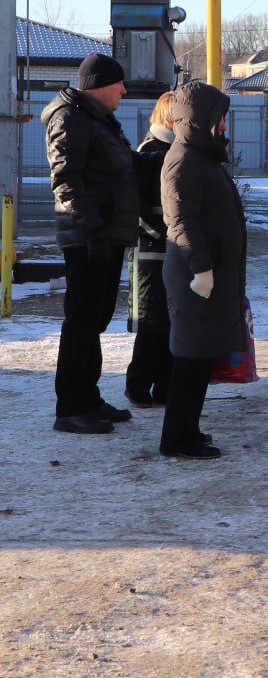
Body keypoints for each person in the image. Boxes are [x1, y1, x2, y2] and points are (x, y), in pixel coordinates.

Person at [41, 54, 141, 434]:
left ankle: (88, 396)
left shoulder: (97, 119)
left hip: (106, 234)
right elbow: (66, 180)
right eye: (119, 83)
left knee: (94, 320)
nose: (124, 90)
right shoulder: (70, 118)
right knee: (81, 320)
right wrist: (94, 231)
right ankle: (70, 407)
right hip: (88, 236)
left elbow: (120, 168)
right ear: (100, 84)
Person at [159, 82, 244, 460]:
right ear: (200, 120)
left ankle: (188, 429)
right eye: (219, 119)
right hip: (196, 276)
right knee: (191, 358)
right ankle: (177, 439)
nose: (223, 126)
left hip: (205, 274)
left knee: (200, 355)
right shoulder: (183, 161)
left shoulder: (200, 156)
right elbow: (181, 221)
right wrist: (202, 268)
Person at [124, 91, 176, 408]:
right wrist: (160, 231)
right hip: (152, 250)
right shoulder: (150, 151)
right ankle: (138, 386)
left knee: (170, 323)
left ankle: (165, 387)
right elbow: (138, 205)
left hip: (170, 249)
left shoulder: (172, 149)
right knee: (152, 324)